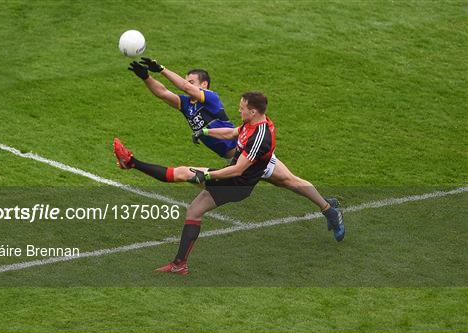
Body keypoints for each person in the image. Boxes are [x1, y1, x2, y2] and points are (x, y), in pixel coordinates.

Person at [113, 92, 345, 275]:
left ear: (252, 111)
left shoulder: (259, 138)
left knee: (184, 174)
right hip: (235, 178)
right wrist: (205, 131)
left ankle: (131, 162)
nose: (238, 109)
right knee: (194, 208)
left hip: (236, 183)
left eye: (242, 107)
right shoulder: (252, 124)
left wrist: (209, 176)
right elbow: (232, 132)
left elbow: (238, 169)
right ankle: (179, 264)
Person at [128, 58, 345, 242]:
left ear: (204, 84)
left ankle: (329, 209)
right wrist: (146, 77)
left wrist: (162, 69)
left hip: (249, 153)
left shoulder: (210, 98)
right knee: (287, 181)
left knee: (289, 181)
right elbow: (164, 93)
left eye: (192, 81)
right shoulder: (187, 105)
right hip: (237, 158)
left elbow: (184, 88)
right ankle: (328, 206)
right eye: (186, 80)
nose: (187, 84)